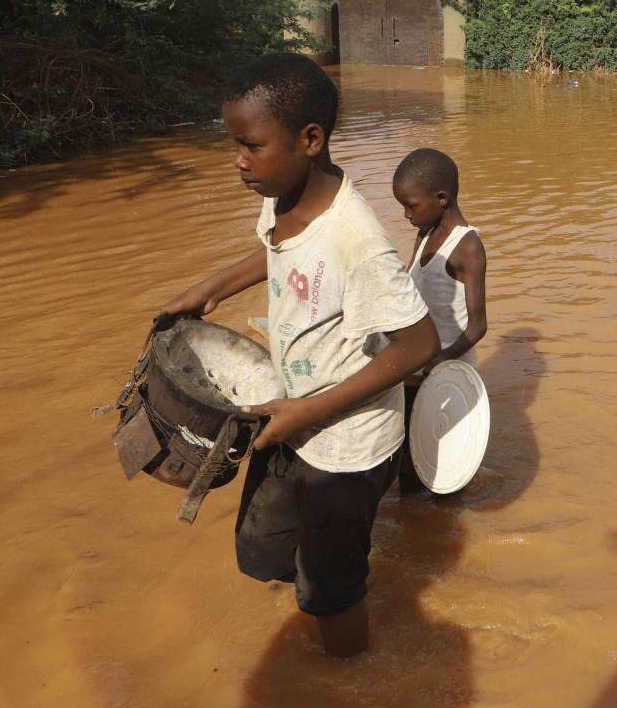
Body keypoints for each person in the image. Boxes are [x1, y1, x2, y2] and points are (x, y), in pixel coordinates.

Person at [158, 53, 439, 657]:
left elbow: (420, 345)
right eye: (234, 143)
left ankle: (347, 683)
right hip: (290, 415)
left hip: (346, 443)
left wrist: (306, 414)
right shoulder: (282, 194)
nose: (239, 160)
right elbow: (276, 249)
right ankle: (316, 586)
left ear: (310, 139)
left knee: (331, 591)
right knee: (262, 551)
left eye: (251, 145)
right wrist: (208, 289)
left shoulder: (356, 239)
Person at [390, 147, 488, 493]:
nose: (405, 214)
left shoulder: (468, 248)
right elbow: (407, 291)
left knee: (445, 470)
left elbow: (478, 326)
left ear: (442, 198)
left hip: (446, 374)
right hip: (415, 370)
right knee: (410, 464)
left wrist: (440, 359)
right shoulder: (425, 234)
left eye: (410, 205)